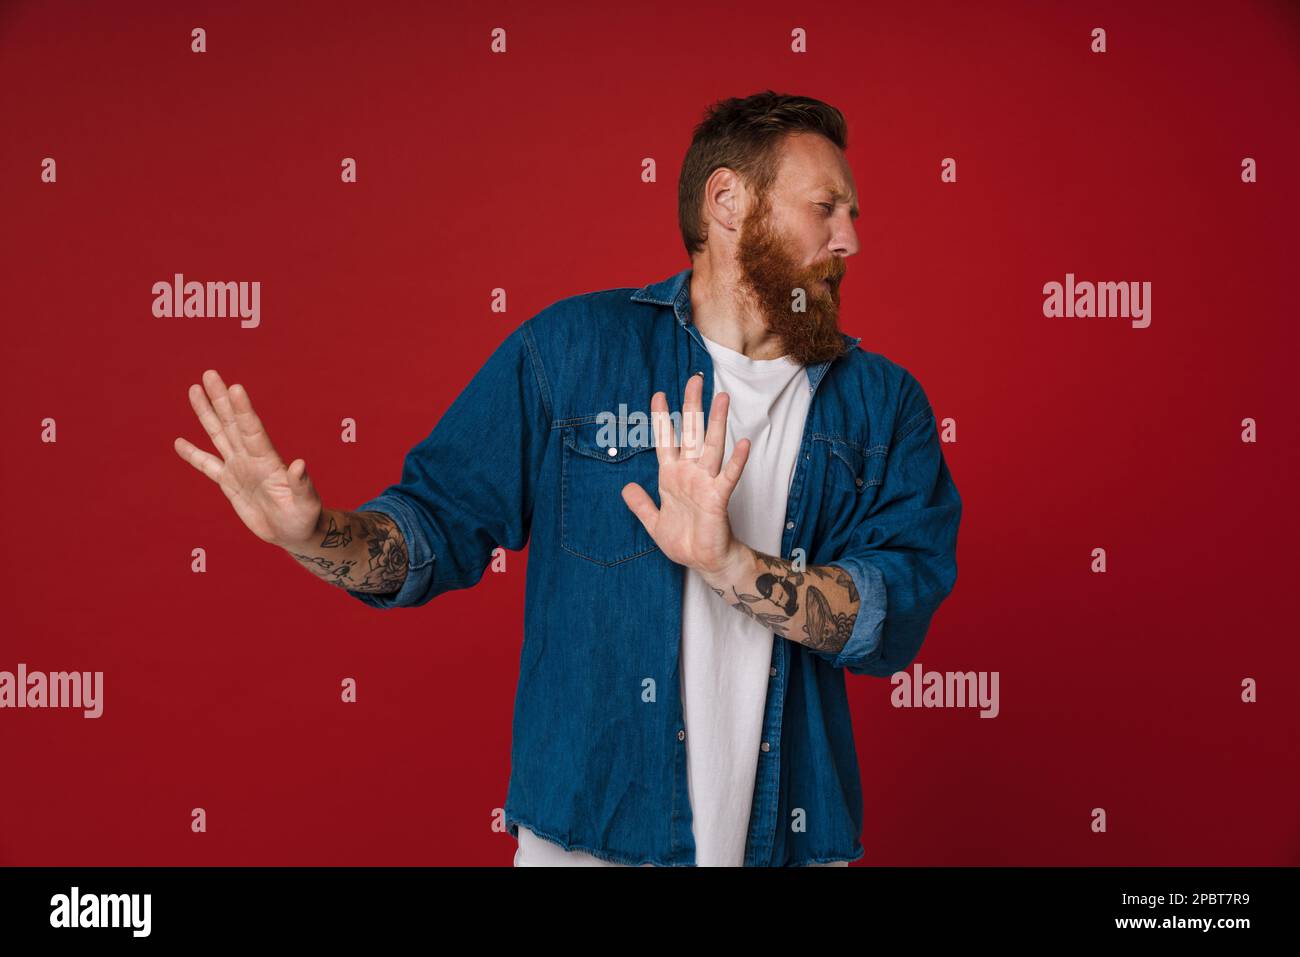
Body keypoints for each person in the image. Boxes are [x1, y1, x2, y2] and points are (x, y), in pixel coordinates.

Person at [173, 90, 962, 867]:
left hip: (795, 845)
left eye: (853, 215)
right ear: (728, 201)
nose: (850, 239)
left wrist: (727, 562)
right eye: (826, 207)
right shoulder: (570, 353)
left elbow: (888, 617)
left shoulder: (883, 403)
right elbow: (430, 530)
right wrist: (314, 536)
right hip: (590, 841)